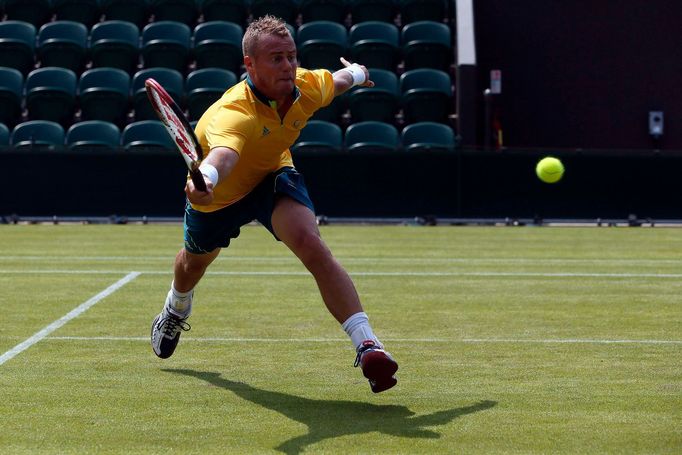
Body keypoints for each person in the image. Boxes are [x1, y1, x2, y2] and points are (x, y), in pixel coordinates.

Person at [150, 15, 398, 393]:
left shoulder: (306, 86)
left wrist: (361, 73)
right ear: (249, 64)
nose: (288, 66)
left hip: (272, 177)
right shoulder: (234, 113)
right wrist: (207, 181)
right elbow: (223, 157)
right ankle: (176, 306)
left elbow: (339, 80)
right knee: (192, 265)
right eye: (276, 59)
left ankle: (367, 345)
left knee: (312, 246)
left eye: (291, 56)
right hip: (221, 194)